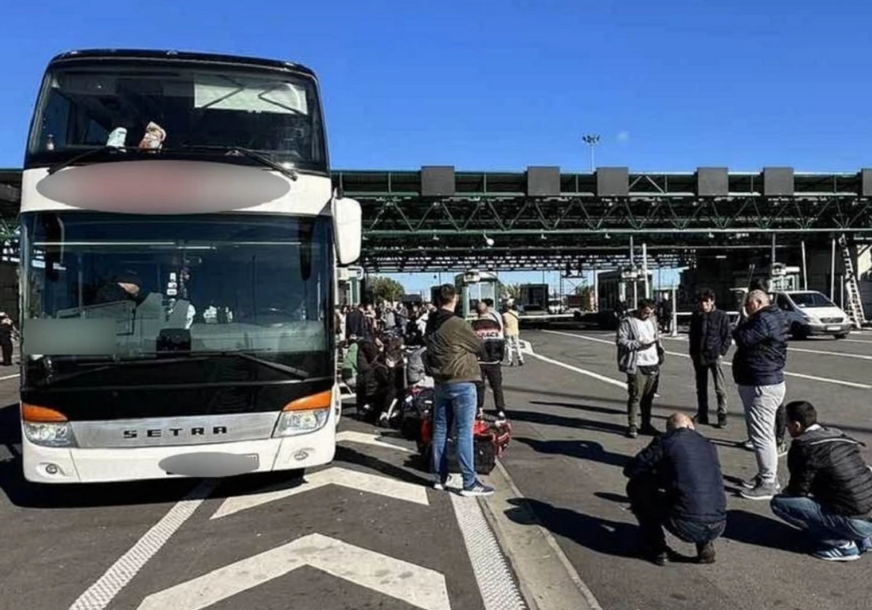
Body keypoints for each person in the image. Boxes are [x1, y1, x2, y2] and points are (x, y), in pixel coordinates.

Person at [770, 401, 872, 561]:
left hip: (854, 520)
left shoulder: (805, 447)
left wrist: (788, 492)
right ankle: (865, 539)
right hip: (867, 512)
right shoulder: (839, 436)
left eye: (787, 425)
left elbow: (798, 490)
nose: (787, 429)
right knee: (851, 492)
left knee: (780, 503)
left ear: (796, 425)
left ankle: (840, 545)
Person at [624, 413, 727, 565]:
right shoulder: (708, 445)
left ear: (670, 430)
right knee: (698, 491)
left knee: (636, 486)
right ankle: (705, 545)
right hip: (718, 524)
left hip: (686, 524)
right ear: (690, 426)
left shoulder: (666, 441)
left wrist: (657, 474)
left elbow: (631, 470)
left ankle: (657, 548)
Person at [425, 284, 492, 497]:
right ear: (454, 299)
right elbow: (479, 346)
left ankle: (439, 477)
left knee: (440, 430)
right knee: (464, 432)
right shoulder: (457, 324)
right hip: (462, 381)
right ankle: (469, 482)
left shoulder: (431, 324)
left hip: (440, 383)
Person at [733, 289, 788, 501]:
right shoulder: (774, 316)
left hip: (761, 382)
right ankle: (765, 475)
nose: (746, 308)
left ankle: (768, 481)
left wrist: (743, 320)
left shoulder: (764, 319)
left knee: (762, 435)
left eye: (748, 304)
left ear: (757, 302)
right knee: (761, 433)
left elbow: (742, 338)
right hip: (764, 380)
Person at [617, 298, 663, 439]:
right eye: (645, 312)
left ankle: (646, 424)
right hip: (637, 363)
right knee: (636, 395)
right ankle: (632, 424)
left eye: (650, 312)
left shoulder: (652, 320)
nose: (647, 315)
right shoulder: (628, 322)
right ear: (639, 309)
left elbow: (656, 337)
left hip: (653, 361)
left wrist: (660, 350)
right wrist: (638, 344)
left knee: (648, 396)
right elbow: (620, 341)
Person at [688, 289, 732, 428]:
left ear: (712, 301)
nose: (703, 304)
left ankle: (722, 415)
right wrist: (693, 352)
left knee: (720, 388)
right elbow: (692, 335)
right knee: (701, 387)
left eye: (706, 301)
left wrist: (721, 353)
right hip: (699, 355)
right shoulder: (696, 316)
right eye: (701, 302)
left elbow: (727, 336)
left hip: (715, 355)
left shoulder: (721, 315)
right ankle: (702, 413)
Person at [471, 299, 507, 419]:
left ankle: (479, 409)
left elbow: (470, 344)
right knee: (497, 386)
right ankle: (500, 410)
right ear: (487, 311)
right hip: (494, 361)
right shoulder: (495, 325)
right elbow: (501, 342)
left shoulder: (473, 326)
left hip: (478, 361)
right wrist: (500, 356)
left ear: (477, 312)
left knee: (479, 386)